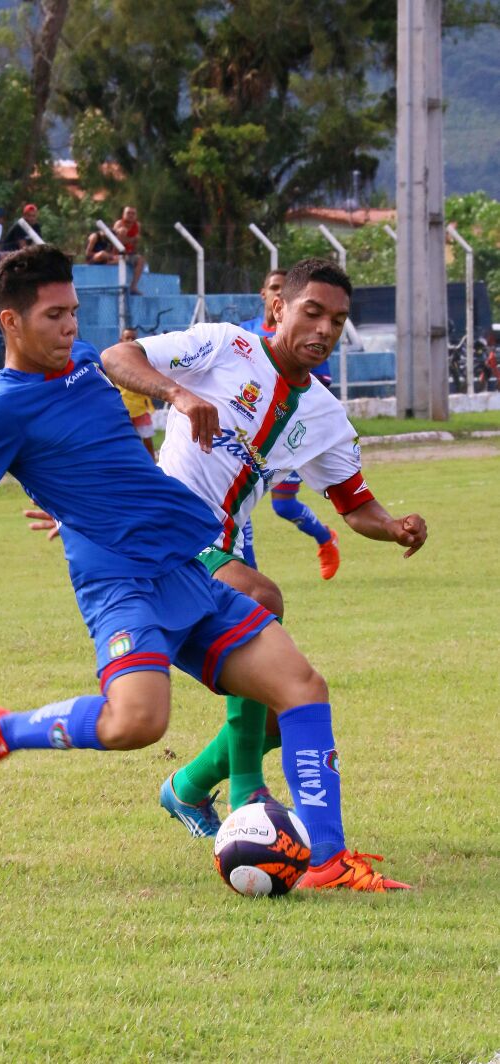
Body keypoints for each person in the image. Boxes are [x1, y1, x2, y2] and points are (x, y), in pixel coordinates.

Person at [0, 244, 411, 893]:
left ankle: (327, 861)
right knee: (138, 724)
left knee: (302, 686)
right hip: (118, 583)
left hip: (182, 564)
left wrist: (97, 495)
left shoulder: (89, 367)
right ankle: (2, 732)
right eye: (54, 316)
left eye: (74, 312)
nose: (70, 327)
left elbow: (120, 448)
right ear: (11, 323)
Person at [100, 257, 427, 890]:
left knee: (291, 706)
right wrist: (179, 392)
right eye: (313, 312)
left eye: (338, 319)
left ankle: (194, 787)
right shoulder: (225, 345)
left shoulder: (327, 416)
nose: (325, 328)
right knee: (263, 598)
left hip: (224, 543)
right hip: (164, 532)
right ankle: (250, 793)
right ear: (278, 307)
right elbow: (121, 357)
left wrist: (394, 527)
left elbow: (354, 503)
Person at [242, 267, 340, 580]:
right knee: (233, 505)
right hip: (245, 436)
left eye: (285, 289)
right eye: (273, 287)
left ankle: (326, 538)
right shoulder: (244, 332)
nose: (278, 292)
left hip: (285, 437)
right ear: (265, 295)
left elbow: (316, 391)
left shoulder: (305, 340)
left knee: (284, 507)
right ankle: (248, 581)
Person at [113, 327, 156, 458]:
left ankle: (153, 465)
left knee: (147, 438)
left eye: (133, 338)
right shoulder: (114, 358)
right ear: (121, 340)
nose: (131, 340)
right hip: (123, 407)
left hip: (140, 407)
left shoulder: (143, 358)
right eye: (128, 338)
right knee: (125, 439)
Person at [113, 205, 145, 296]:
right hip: (116, 254)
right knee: (122, 231)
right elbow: (117, 242)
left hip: (129, 254)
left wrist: (132, 242)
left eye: (133, 213)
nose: (131, 215)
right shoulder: (119, 224)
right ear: (123, 214)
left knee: (140, 260)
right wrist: (132, 239)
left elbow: (136, 242)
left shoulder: (137, 225)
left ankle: (133, 287)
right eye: (128, 213)